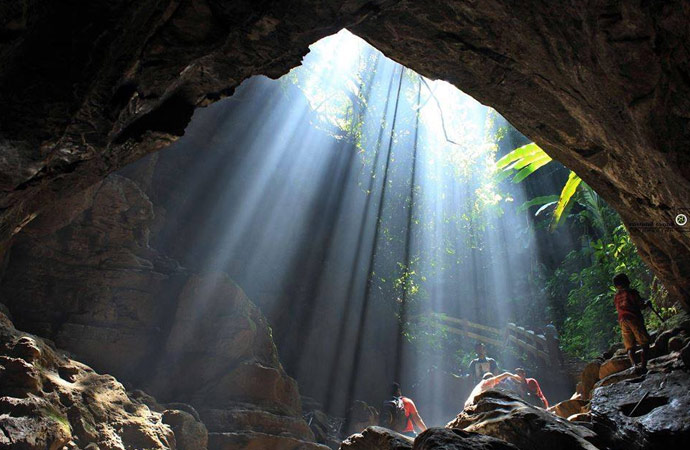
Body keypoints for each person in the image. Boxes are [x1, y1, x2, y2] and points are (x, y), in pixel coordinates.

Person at [613, 273, 651, 371]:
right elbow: (640, 305)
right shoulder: (632, 292)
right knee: (644, 343)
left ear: (616, 286)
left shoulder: (616, 296)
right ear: (627, 282)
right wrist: (647, 304)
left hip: (622, 320)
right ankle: (643, 366)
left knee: (630, 346)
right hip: (634, 318)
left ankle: (634, 366)